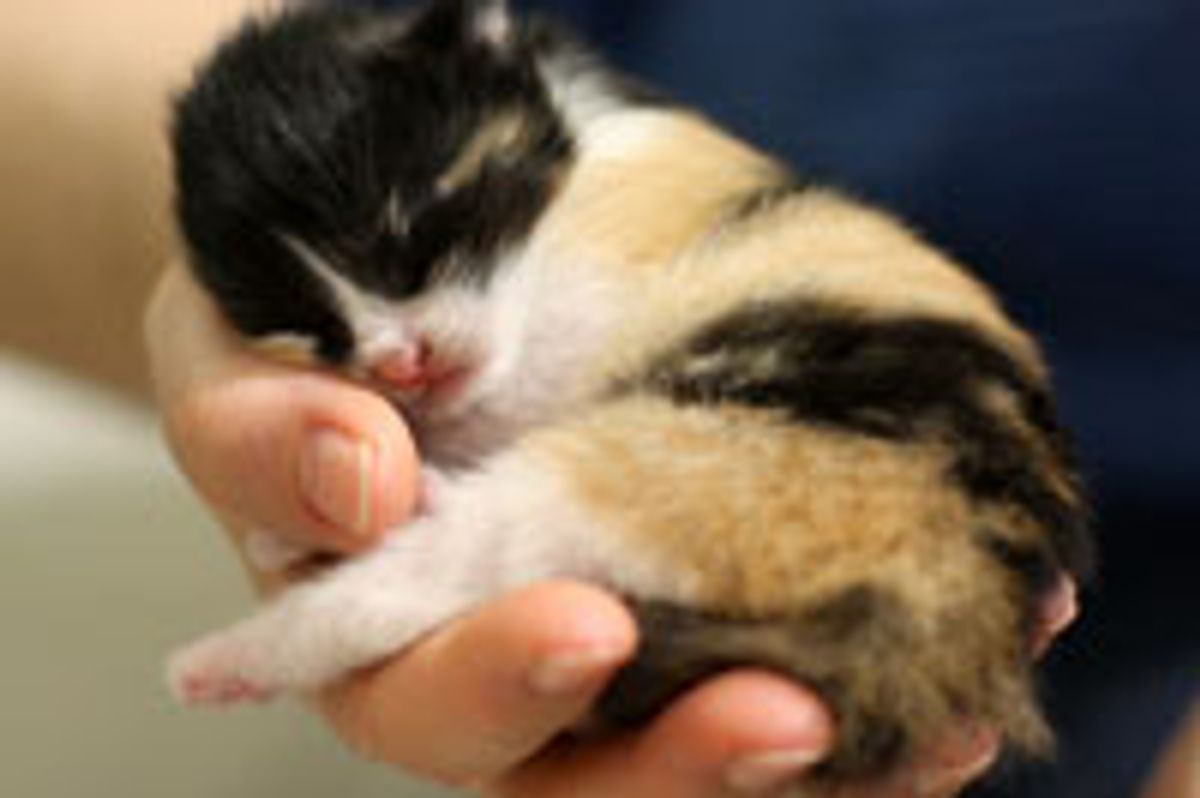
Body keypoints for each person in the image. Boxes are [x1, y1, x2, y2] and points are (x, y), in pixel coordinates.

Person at [4, 1, 1194, 796]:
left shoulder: (613, 187)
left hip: (924, 515)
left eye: (416, 251)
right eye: (316, 329)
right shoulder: (485, 156)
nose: (389, 358)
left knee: (527, 524)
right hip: (912, 556)